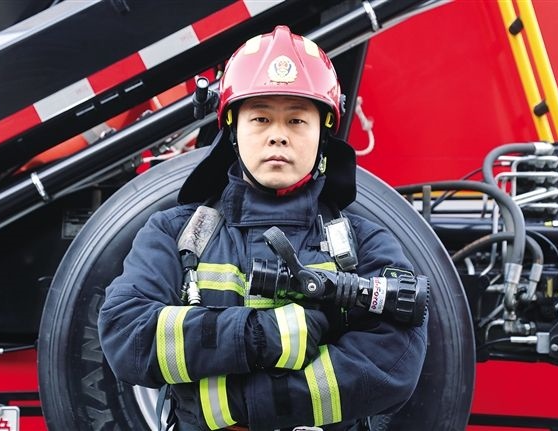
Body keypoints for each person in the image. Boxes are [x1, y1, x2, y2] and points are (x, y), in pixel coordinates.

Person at [98, 25, 427, 431]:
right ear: (232, 129)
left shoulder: (368, 244)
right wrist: (264, 335)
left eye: (296, 120)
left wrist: (230, 401)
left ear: (323, 133)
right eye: (260, 118)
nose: (278, 136)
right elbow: (125, 334)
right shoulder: (173, 234)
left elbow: (393, 363)